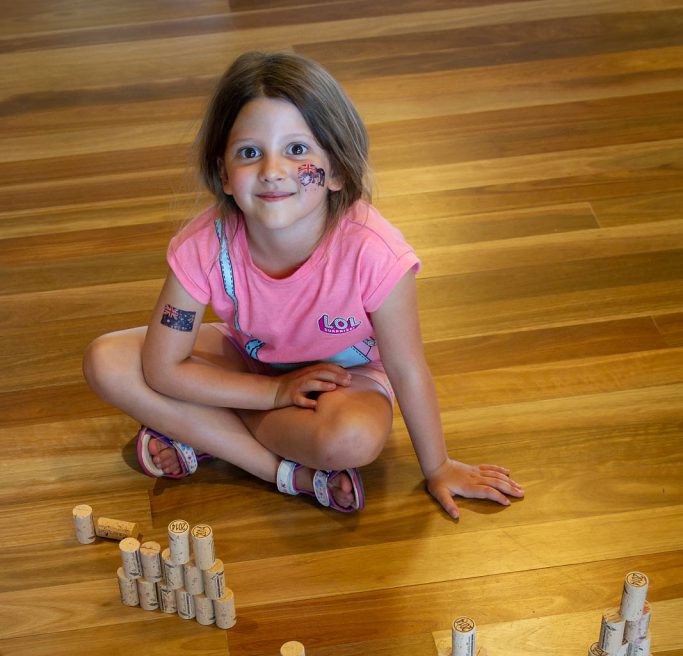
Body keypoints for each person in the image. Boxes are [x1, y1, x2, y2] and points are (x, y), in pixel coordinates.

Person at [83, 51, 523, 518]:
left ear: (335, 169)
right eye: (250, 153)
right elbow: (162, 369)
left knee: (352, 438)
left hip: (343, 382)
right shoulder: (202, 245)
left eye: (296, 149)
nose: (273, 170)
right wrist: (272, 394)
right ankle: (284, 473)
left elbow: (407, 368)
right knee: (106, 361)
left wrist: (437, 466)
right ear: (224, 175)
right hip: (249, 361)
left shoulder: (374, 252)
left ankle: (202, 430)